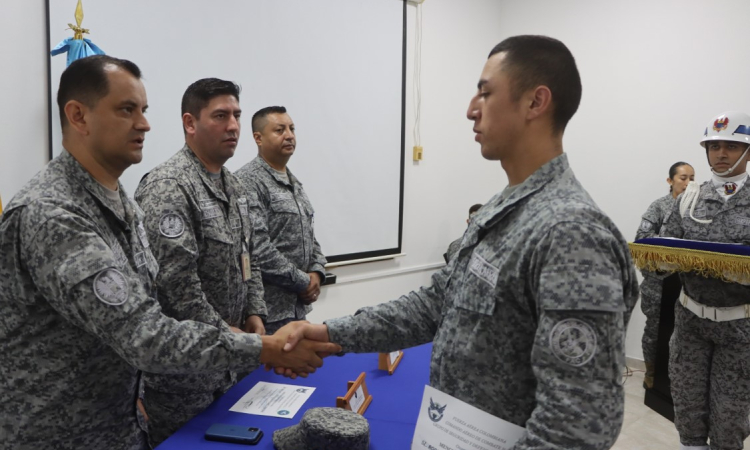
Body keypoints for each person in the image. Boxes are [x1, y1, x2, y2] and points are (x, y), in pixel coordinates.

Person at [278, 35, 639, 448]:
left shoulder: (571, 233)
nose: (471, 109)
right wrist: (327, 333)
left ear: (535, 103)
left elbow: (578, 423)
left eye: (485, 93)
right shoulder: (503, 207)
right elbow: (436, 304)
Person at [0, 55, 340, 449]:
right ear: (78, 116)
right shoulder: (53, 213)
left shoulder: (116, 201)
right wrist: (260, 348)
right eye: (127, 110)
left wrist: (254, 318)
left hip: (120, 422)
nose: (144, 123)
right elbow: (146, 332)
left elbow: (230, 268)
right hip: (60, 434)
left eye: (143, 110)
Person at [134, 78, 267, 447]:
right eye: (221, 116)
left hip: (234, 365)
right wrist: (228, 335)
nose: (234, 126)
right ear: (190, 123)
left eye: (237, 115)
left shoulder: (234, 187)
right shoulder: (168, 186)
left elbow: (248, 257)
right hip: (185, 378)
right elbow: (176, 286)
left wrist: (255, 311)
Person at [661, 111, 750, 450]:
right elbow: (664, 247)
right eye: (713, 146)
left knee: (730, 419)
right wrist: (662, 261)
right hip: (690, 323)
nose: (721, 154)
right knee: (687, 410)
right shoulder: (689, 197)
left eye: (731, 146)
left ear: (748, 151)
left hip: (740, 329)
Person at [235, 106, 327, 334]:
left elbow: (309, 235)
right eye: (279, 130)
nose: (289, 135)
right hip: (266, 313)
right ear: (258, 138)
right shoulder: (248, 181)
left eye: (292, 129)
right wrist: (303, 281)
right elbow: (257, 248)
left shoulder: (294, 183)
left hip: (297, 308)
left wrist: (317, 271)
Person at [636, 161, 694, 388]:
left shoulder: (697, 212)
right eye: (682, 177)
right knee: (654, 330)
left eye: (692, 177)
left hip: (685, 284)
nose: (688, 182)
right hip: (658, 283)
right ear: (670, 181)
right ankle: (652, 373)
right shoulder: (659, 206)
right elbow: (642, 237)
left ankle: (676, 378)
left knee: (683, 334)